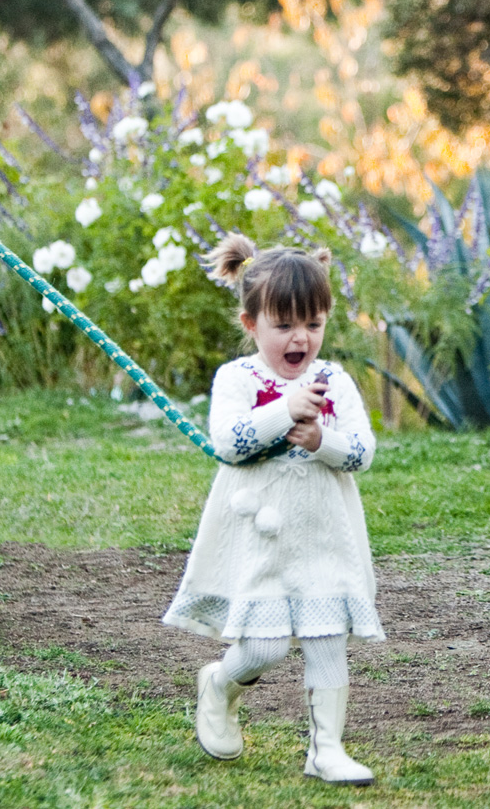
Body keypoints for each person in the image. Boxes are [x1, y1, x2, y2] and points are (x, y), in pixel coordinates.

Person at [161, 233, 381, 785]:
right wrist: (284, 411)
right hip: (259, 542)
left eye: (313, 324)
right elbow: (230, 443)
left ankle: (326, 750)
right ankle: (220, 683)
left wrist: (318, 441)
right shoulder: (236, 380)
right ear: (250, 324)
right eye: (284, 326)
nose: (300, 338)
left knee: (328, 640)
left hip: (324, 536)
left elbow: (360, 453)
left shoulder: (337, 383)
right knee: (261, 645)